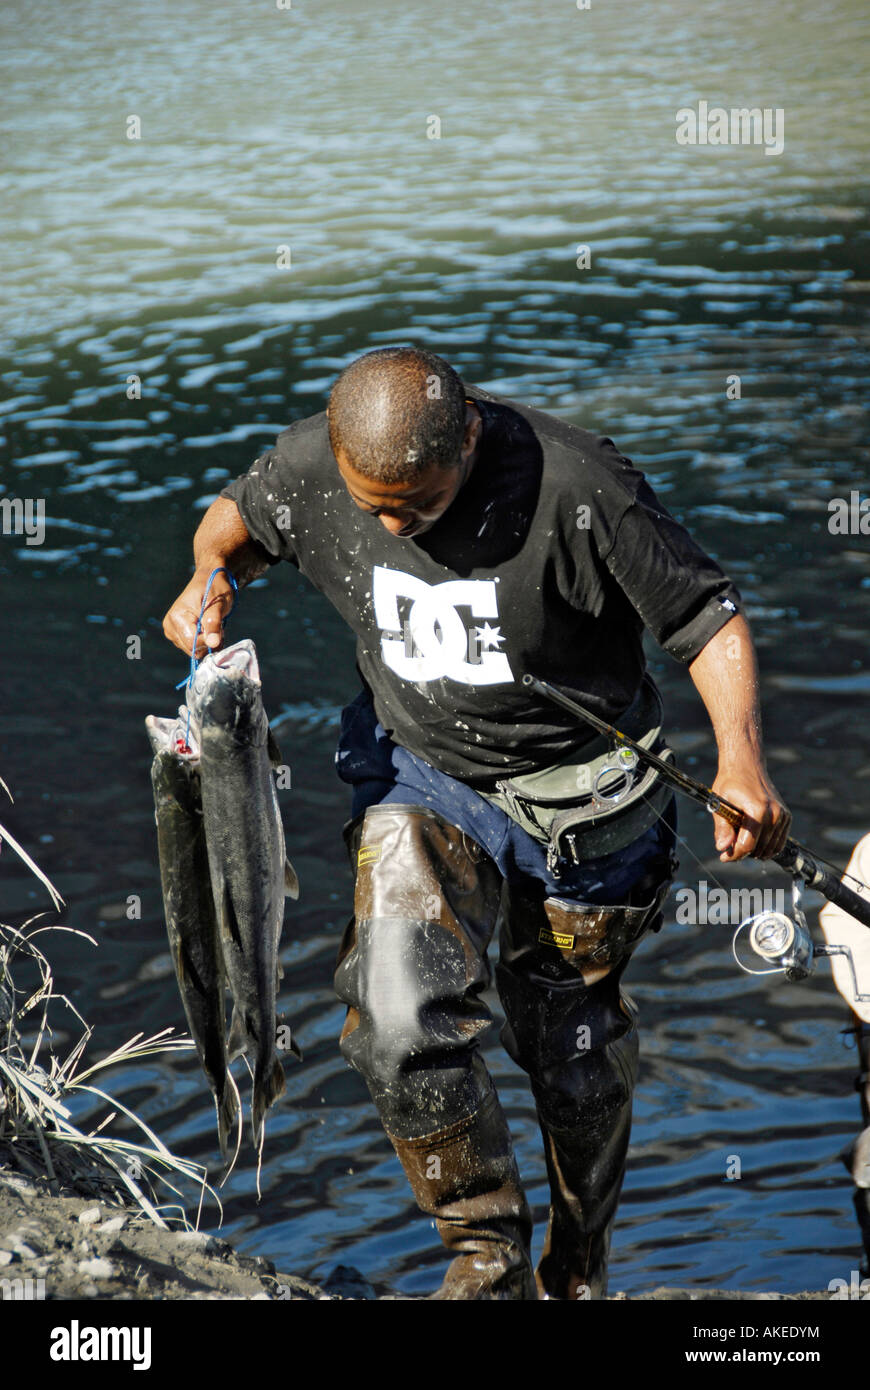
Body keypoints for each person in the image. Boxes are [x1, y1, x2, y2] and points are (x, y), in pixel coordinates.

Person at [162, 345, 791, 1300]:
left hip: (589, 796)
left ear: (469, 435)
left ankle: (579, 1266)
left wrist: (741, 763)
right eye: (369, 503)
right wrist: (210, 577)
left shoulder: (580, 485)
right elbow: (232, 524)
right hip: (427, 774)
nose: (387, 524)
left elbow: (707, 618)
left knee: (568, 1051)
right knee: (393, 1014)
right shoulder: (310, 469)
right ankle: (487, 1256)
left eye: (413, 506)